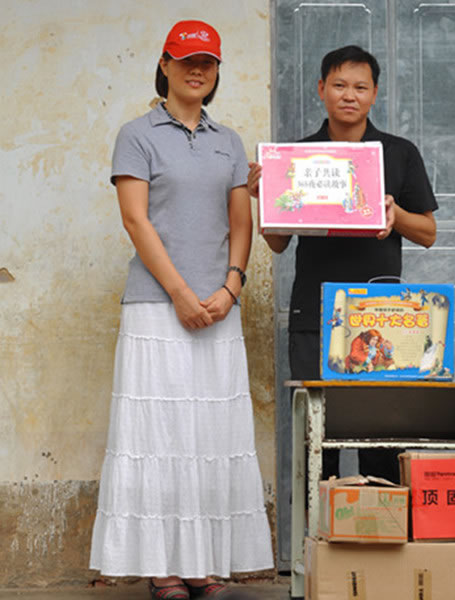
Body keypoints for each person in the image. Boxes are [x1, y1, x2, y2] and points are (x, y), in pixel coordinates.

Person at [89, 20, 273, 599]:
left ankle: (202, 566)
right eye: (187, 59)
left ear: (217, 73)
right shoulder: (137, 134)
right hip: (156, 306)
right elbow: (136, 220)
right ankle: (162, 569)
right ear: (165, 64)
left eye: (209, 63)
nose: (198, 70)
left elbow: (240, 222)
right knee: (159, 435)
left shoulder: (229, 141)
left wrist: (231, 286)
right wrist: (180, 294)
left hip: (219, 309)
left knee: (208, 435)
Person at [248, 45, 438, 483]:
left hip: (382, 317)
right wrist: (264, 198)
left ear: (374, 94)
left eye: (359, 87)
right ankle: (317, 548)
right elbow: (277, 244)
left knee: (380, 440)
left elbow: (427, 233)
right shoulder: (294, 158)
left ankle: (381, 533)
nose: (348, 95)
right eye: (338, 85)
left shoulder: (399, 153)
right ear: (321, 89)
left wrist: (395, 215)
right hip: (315, 314)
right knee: (317, 440)